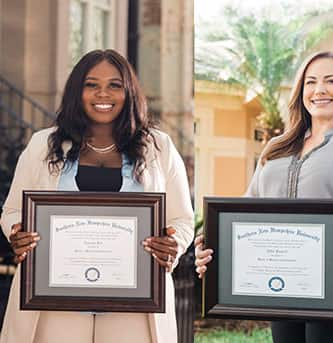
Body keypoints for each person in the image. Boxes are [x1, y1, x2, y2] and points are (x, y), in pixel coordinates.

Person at [195, 51, 333, 342]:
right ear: (301, 92)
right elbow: (246, 208)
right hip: (283, 292)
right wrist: (213, 242)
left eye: (331, 81)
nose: (320, 90)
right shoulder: (276, 148)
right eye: (310, 82)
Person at [0, 49, 194, 343]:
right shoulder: (43, 145)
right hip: (54, 302)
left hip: (135, 305)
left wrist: (173, 244)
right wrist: (18, 232)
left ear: (128, 92)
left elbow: (182, 219)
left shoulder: (159, 147)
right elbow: (13, 210)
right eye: (92, 84)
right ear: (77, 91)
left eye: (115, 85)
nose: (103, 93)